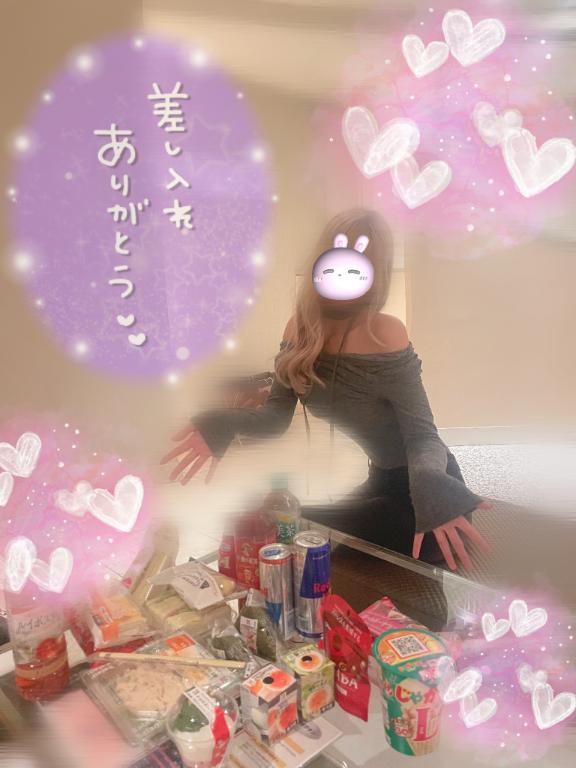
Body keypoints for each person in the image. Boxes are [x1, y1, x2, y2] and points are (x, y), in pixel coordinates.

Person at [161, 208, 491, 571]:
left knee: (295, 528)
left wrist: (435, 493)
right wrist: (220, 423)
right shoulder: (298, 331)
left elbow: (422, 436)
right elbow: (274, 418)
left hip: (424, 498)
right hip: (380, 482)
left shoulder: (385, 333)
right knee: (276, 519)